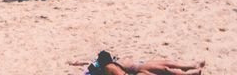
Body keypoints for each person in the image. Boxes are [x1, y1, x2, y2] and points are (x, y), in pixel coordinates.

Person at [75, 50, 205, 74]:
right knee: (164, 69)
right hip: (135, 70)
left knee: (165, 64)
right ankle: (188, 72)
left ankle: (191, 66)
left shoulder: (110, 65)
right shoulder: (110, 68)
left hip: (136, 67)